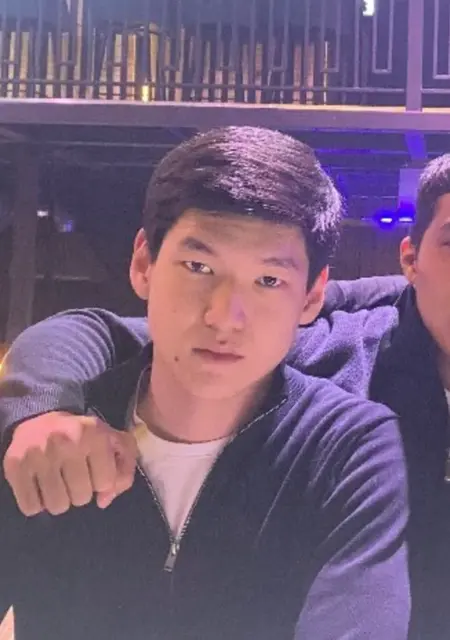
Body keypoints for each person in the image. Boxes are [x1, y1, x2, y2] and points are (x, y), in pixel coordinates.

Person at [3, 154, 450, 640]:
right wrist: (43, 408)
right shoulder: (344, 359)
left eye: (268, 280)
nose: (225, 315)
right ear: (410, 259)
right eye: (198, 267)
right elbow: (124, 336)